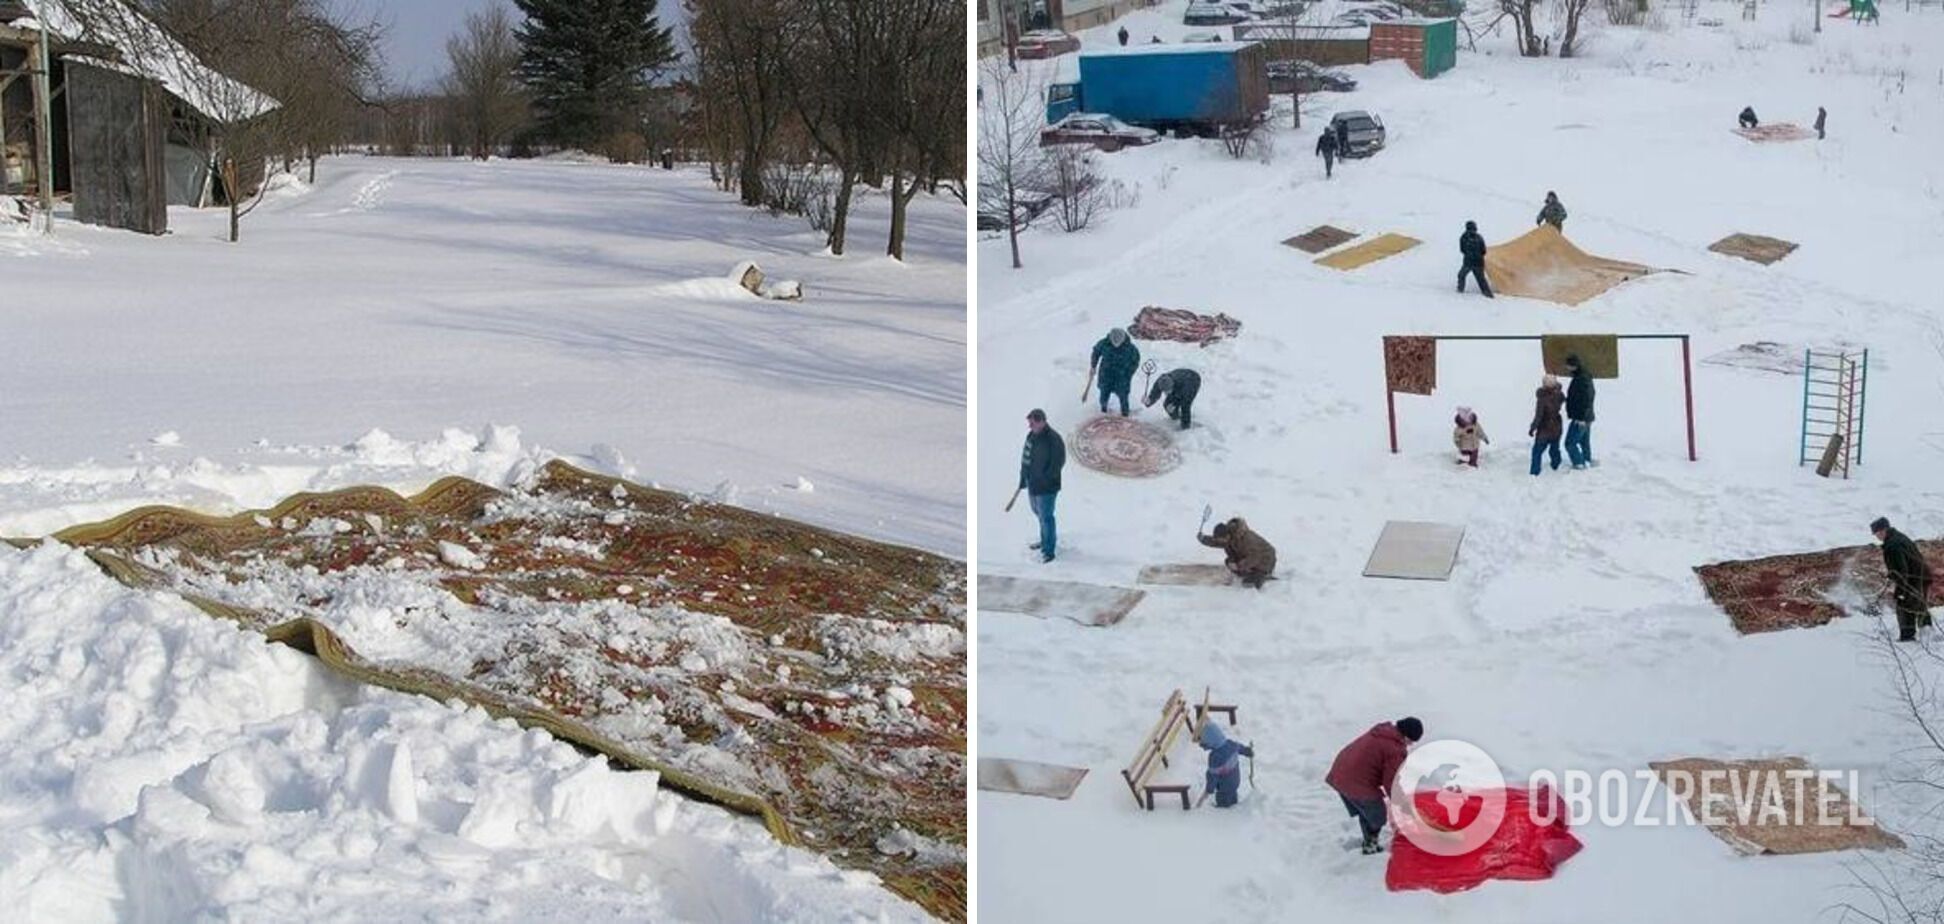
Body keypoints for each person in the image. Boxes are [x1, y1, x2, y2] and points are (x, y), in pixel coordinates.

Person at [1325, 717, 1423, 855]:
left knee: (1367, 811)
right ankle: (1370, 845)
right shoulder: (1394, 749)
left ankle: (1369, 838)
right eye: (1411, 741)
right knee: (1377, 814)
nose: (1410, 745)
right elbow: (1392, 784)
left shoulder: (1383, 732)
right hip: (1355, 781)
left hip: (1340, 772)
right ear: (1406, 736)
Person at [1874, 517, 1934, 642]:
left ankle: (1907, 637)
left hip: (1914, 578)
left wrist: (1900, 590)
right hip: (1921, 575)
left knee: (1904, 604)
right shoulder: (1899, 537)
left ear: (1884, 530)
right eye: (1875, 533)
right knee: (1918, 604)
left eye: (1878, 532)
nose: (1877, 536)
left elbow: (1901, 570)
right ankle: (1927, 632)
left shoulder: (1892, 545)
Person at [1019, 409, 1066, 563]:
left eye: (1032, 423)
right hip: (1033, 484)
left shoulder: (1053, 439)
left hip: (1047, 487)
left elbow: (1059, 462)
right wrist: (1023, 477)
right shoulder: (1032, 436)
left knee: (1046, 517)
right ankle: (1044, 540)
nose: (1030, 426)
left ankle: (1049, 550)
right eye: (1029, 423)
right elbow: (1025, 457)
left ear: (1041, 421)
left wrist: (1046, 477)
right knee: (1037, 513)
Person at [1198, 516, 1277, 589]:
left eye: (1222, 539)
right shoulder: (1229, 537)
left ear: (1227, 535)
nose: (1222, 542)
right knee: (1229, 561)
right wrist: (1204, 539)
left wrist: (1239, 566)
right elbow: (1217, 542)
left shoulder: (1246, 539)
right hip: (1250, 557)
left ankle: (1262, 575)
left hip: (1266, 560)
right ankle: (1247, 572)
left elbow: (1255, 557)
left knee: (1248, 584)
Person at [1199, 722, 1255, 808]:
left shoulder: (1215, 757)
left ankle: (1226, 815)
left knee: (1224, 806)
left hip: (1224, 787)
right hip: (1235, 781)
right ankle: (1234, 805)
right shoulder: (1230, 744)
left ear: (1211, 742)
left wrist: (1209, 789)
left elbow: (1213, 776)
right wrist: (1248, 751)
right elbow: (1240, 748)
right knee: (1232, 795)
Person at [1089, 327, 1141, 416]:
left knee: (1123, 396)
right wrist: (1093, 366)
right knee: (1104, 395)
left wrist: (1129, 373)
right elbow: (1096, 352)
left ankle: (1125, 414)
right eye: (1114, 342)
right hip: (1106, 374)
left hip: (1122, 376)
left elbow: (1135, 361)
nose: (1116, 345)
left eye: (1118, 343)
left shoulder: (1131, 348)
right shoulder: (1104, 343)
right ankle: (1103, 411)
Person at [1563, 354, 1596, 469]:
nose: (1566, 367)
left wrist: (1581, 418)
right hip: (1586, 417)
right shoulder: (1582, 376)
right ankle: (1587, 460)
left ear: (1573, 366)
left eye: (1567, 365)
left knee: (1569, 443)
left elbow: (1587, 398)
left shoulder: (1581, 378)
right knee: (1583, 441)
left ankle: (1579, 463)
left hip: (1581, 418)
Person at [1529, 375, 1566, 476]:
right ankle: (1556, 465)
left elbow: (1539, 416)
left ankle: (1534, 472)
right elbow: (1562, 399)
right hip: (1557, 426)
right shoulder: (1559, 394)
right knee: (1554, 448)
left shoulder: (1542, 399)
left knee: (1537, 451)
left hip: (1545, 428)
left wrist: (1532, 428)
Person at [1457, 220, 1492, 297]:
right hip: (1477, 262)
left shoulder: (1464, 237)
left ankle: (1460, 290)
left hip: (1469, 262)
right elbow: (1483, 250)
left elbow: (1462, 250)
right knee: (1481, 279)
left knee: (1462, 275)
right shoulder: (1479, 237)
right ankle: (1488, 294)